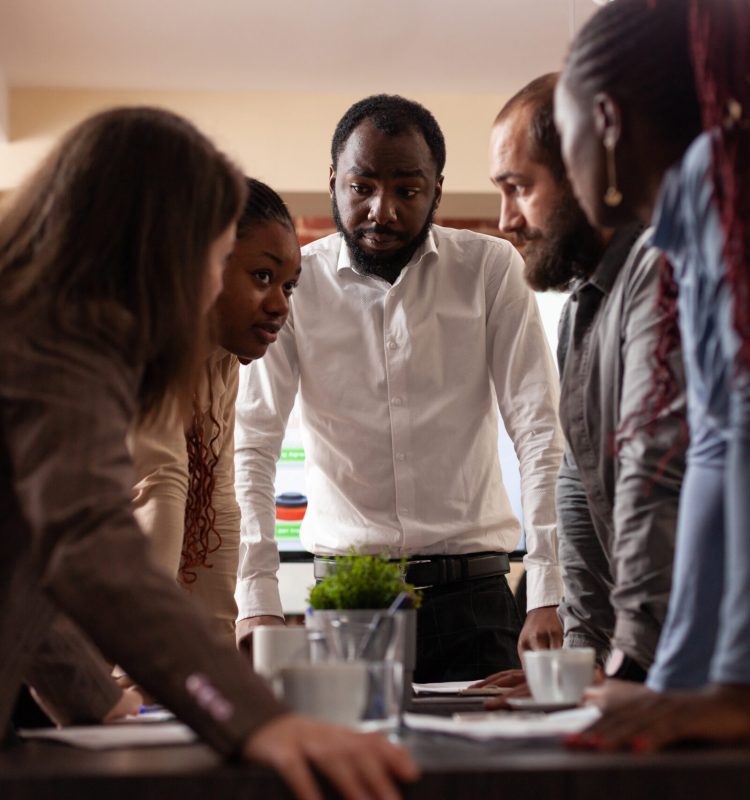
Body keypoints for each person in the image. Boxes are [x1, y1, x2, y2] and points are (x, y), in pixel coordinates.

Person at [0, 106, 417, 800]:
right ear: (158, 242)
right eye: (214, 252)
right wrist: (258, 721)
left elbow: (23, 557)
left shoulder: (36, 320)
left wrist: (90, 700)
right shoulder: (65, 343)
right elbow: (88, 546)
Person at [234, 94, 565, 682]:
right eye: (361, 187)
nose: (380, 211)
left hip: (477, 599)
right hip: (347, 600)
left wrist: (548, 588)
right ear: (334, 180)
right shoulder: (296, 285)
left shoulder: (490, 269)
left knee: (487, 770)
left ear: (437, 190)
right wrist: (256, 599)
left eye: (407, 191)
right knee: (353, 767)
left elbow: (539, 431)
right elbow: (254, 443)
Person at [553, 0, 750, 750]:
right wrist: (678, 676)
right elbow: (712, 448)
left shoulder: (717, 174)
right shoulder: (685, 222)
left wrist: (734, 687)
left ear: (604, 119)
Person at [476, 73, 685, 699]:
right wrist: (583, 656)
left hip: (696, 659)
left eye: (519, 188)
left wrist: (633, 666)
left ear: (588, 170)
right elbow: (579, 480)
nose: (506, 220)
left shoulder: (660, 269)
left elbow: (656, 474)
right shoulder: (579, 307)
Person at [130, 177, 301, 645]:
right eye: (262, 277)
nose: (280, 305)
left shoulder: (222, 358)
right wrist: (143, 671)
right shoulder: (142, 344)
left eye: (289, 286)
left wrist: (218, 650)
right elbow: (159, 491)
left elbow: (218, 508)